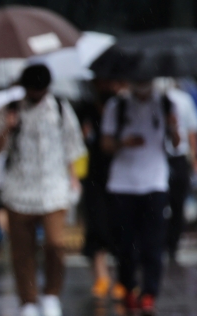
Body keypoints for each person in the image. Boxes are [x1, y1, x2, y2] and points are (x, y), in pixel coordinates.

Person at [0, 64, 84, 316]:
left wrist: (73, 177)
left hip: (53, 186)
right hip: (19, 187)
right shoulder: (11, 110)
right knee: (22, 250)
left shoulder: (60, 109)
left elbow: (71, 145)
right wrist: (7, 126)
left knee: (56, 244)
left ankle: (51, 294)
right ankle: (27, 300)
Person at [101, 81, 182, 316]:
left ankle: (149, 293)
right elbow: (105, 144)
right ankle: (128, 286)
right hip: (123, 183)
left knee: (153, 243)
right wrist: (122, 143)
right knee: (125, 244)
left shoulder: (167, 104)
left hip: (155, 182)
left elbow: (177, 144)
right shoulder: (117, 106)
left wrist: (174, 127)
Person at [75, 79, 124, 299]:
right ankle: (101, 276)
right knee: (97, 224)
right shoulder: (85, 108)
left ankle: (123, 277)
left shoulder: (123, 107)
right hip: (94, 174)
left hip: (122, 173)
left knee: (121, 226)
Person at [157, 78, 197, 261]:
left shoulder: (183, 100)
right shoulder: (153, 100)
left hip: (178, 156)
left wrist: (196, 158)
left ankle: (172, 245)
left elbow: (192, 131)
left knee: (177, 203)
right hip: (158, 157)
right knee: (160, 204)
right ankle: (160, 242)